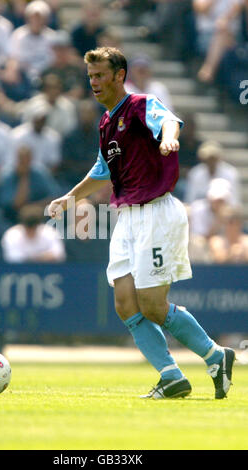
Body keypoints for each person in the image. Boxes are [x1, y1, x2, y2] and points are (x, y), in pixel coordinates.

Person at [48, 46, 235, 400]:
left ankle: (215, 355)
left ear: (120, 75)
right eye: (90, 77)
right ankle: (171, 376)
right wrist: (70, 197)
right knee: (124, 303)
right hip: (126, 218)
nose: (94, 83)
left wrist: (169, 137)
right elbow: (102, 171)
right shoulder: (105, 123)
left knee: (152, 304)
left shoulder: (139, 105)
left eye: (100, 75)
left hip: (156, 212)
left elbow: (168, 120)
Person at [1, 204, 66, 263]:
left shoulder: (50, 232)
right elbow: (12, 258)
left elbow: (59, 254)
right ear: (23, 224)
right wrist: (42, 257)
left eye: (33, 228)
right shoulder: (12, 234)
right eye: (28, 227)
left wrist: (31, 257)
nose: (31, 231)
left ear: (38, 225)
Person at [184, 140, 242, 206]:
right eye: (208, 158)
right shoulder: (195, 173)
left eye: (213, 158)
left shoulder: (231, 173)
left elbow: (234, 202)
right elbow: (190, 200)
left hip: (223, 212)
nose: (211, 161)